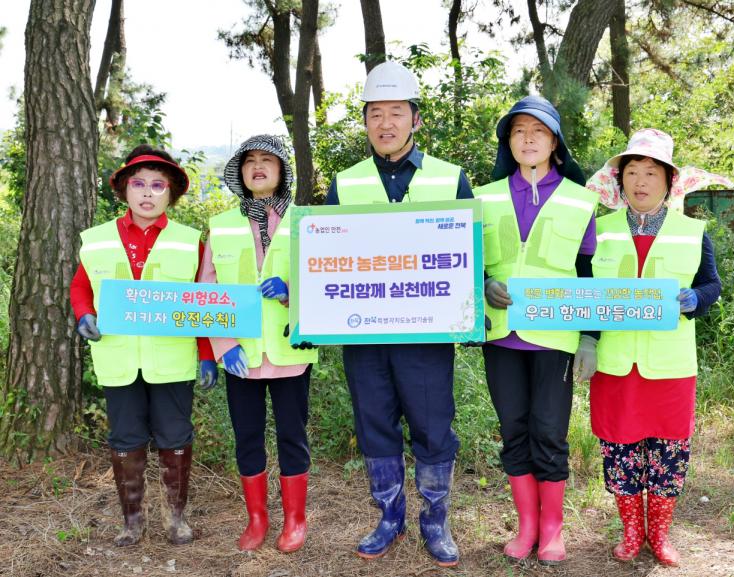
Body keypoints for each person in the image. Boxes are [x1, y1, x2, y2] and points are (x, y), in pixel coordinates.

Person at [325, 61, 472, 567]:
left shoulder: (452, 179)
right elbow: (326, 261)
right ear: (365, 122)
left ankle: (435, 519)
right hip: (364, 337)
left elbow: (469, 258)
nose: (385, 124)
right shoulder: (344, 184)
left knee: (433, 427)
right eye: (374, 115)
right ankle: (389, 516)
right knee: (374, 424)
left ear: (415, 118)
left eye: (396, 113)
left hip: (427, 339)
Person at [582, 128, 723, 566]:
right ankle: (630, 532)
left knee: (667, 452)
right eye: (632, 172)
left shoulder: (692, 231)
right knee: (621, 451)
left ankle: (660, 536)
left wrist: (695, 299)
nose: (640, 181)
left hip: (670, 365)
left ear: (668, 181)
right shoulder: (599, 231)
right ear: (620, 180)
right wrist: (586, 340)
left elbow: (712, 285)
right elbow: (582, 291)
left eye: (651, 172)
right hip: (616, 363)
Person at [71, 145, 218, 546]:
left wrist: (207, 354)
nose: (147, 193)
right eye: (138, 184)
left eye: (158, 185)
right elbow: (81, 285)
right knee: (125, 438)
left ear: (171, 193)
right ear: (124, 190)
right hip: (118, 357)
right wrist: (84, 313)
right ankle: (132, 522)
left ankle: (176, 520)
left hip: (172, 359)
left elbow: (201, 302)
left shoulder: (190, 242)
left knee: (175, 435)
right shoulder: (98, 239)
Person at [474, 95, 598, 565]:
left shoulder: (580, 199)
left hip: (556, 335)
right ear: (509, 141)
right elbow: (465, 262)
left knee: (549, 431)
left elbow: (588, 273)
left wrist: (590, 337)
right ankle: (525, 527)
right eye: (519, 130)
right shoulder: (482, 197)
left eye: (539, 131)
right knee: (514, 430)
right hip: (500, 334)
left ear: (556, 145)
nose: (528, 138)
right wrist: (483, 282)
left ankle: (552, 530)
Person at [199, 135, 318, 553]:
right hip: (241, 356)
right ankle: (257, 519)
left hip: (291, 352)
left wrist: (292, 290)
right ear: (240, 173)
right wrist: (222, 345)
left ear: (283, 170)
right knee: (247, 437)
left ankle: (295, 520)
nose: (258, 167)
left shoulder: (306, 222)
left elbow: (329, 280)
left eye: (268, 160)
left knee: (292, 435)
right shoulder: (222, 226)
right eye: (250, 161)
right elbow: (206, 290)